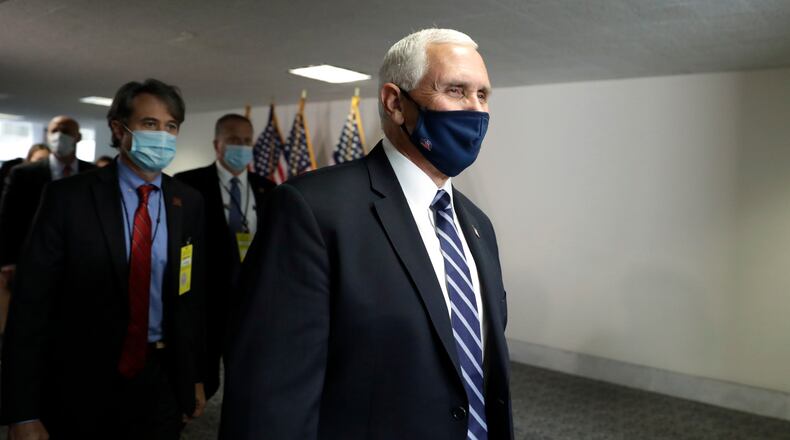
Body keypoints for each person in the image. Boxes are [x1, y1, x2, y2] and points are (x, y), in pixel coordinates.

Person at [221, 29, 513, 439]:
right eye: (455, 90)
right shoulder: (313, 210)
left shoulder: (478, 226)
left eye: (482, 95)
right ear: (395, 103)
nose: (475, 110)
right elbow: (271, 396)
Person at [0, 78, 208, 440]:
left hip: (160, 376)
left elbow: (190, 298)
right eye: (150, 123)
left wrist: (194, 376)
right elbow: (31, 305)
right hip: (82, 379)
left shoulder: (187, 202)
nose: (162, 135)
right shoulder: (68, 197)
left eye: (171, 126)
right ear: (119, 128)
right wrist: (22, 411)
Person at [174, 113, 275, 400]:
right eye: (233, 140)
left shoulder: (268, 189)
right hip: (205, 301)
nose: (241, 147)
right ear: (217, 144)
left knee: (246, 379)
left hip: (251, 301)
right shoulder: (187, 185)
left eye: (246, 141)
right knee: (203, 379)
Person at [0, 117, 95, 286]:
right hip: (32, 260)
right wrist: (8, 260)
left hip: (81, 262)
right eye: (54, 131)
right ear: (47, 136)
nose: (59, 136)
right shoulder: (23, 174)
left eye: (66, 131)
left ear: (78, 137)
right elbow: (8, 219)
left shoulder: (93, 174)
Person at [0, 144, 50, 333]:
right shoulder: (21, 178)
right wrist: (7, 261)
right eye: (39, 160)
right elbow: (8, 222)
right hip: (23, 258)